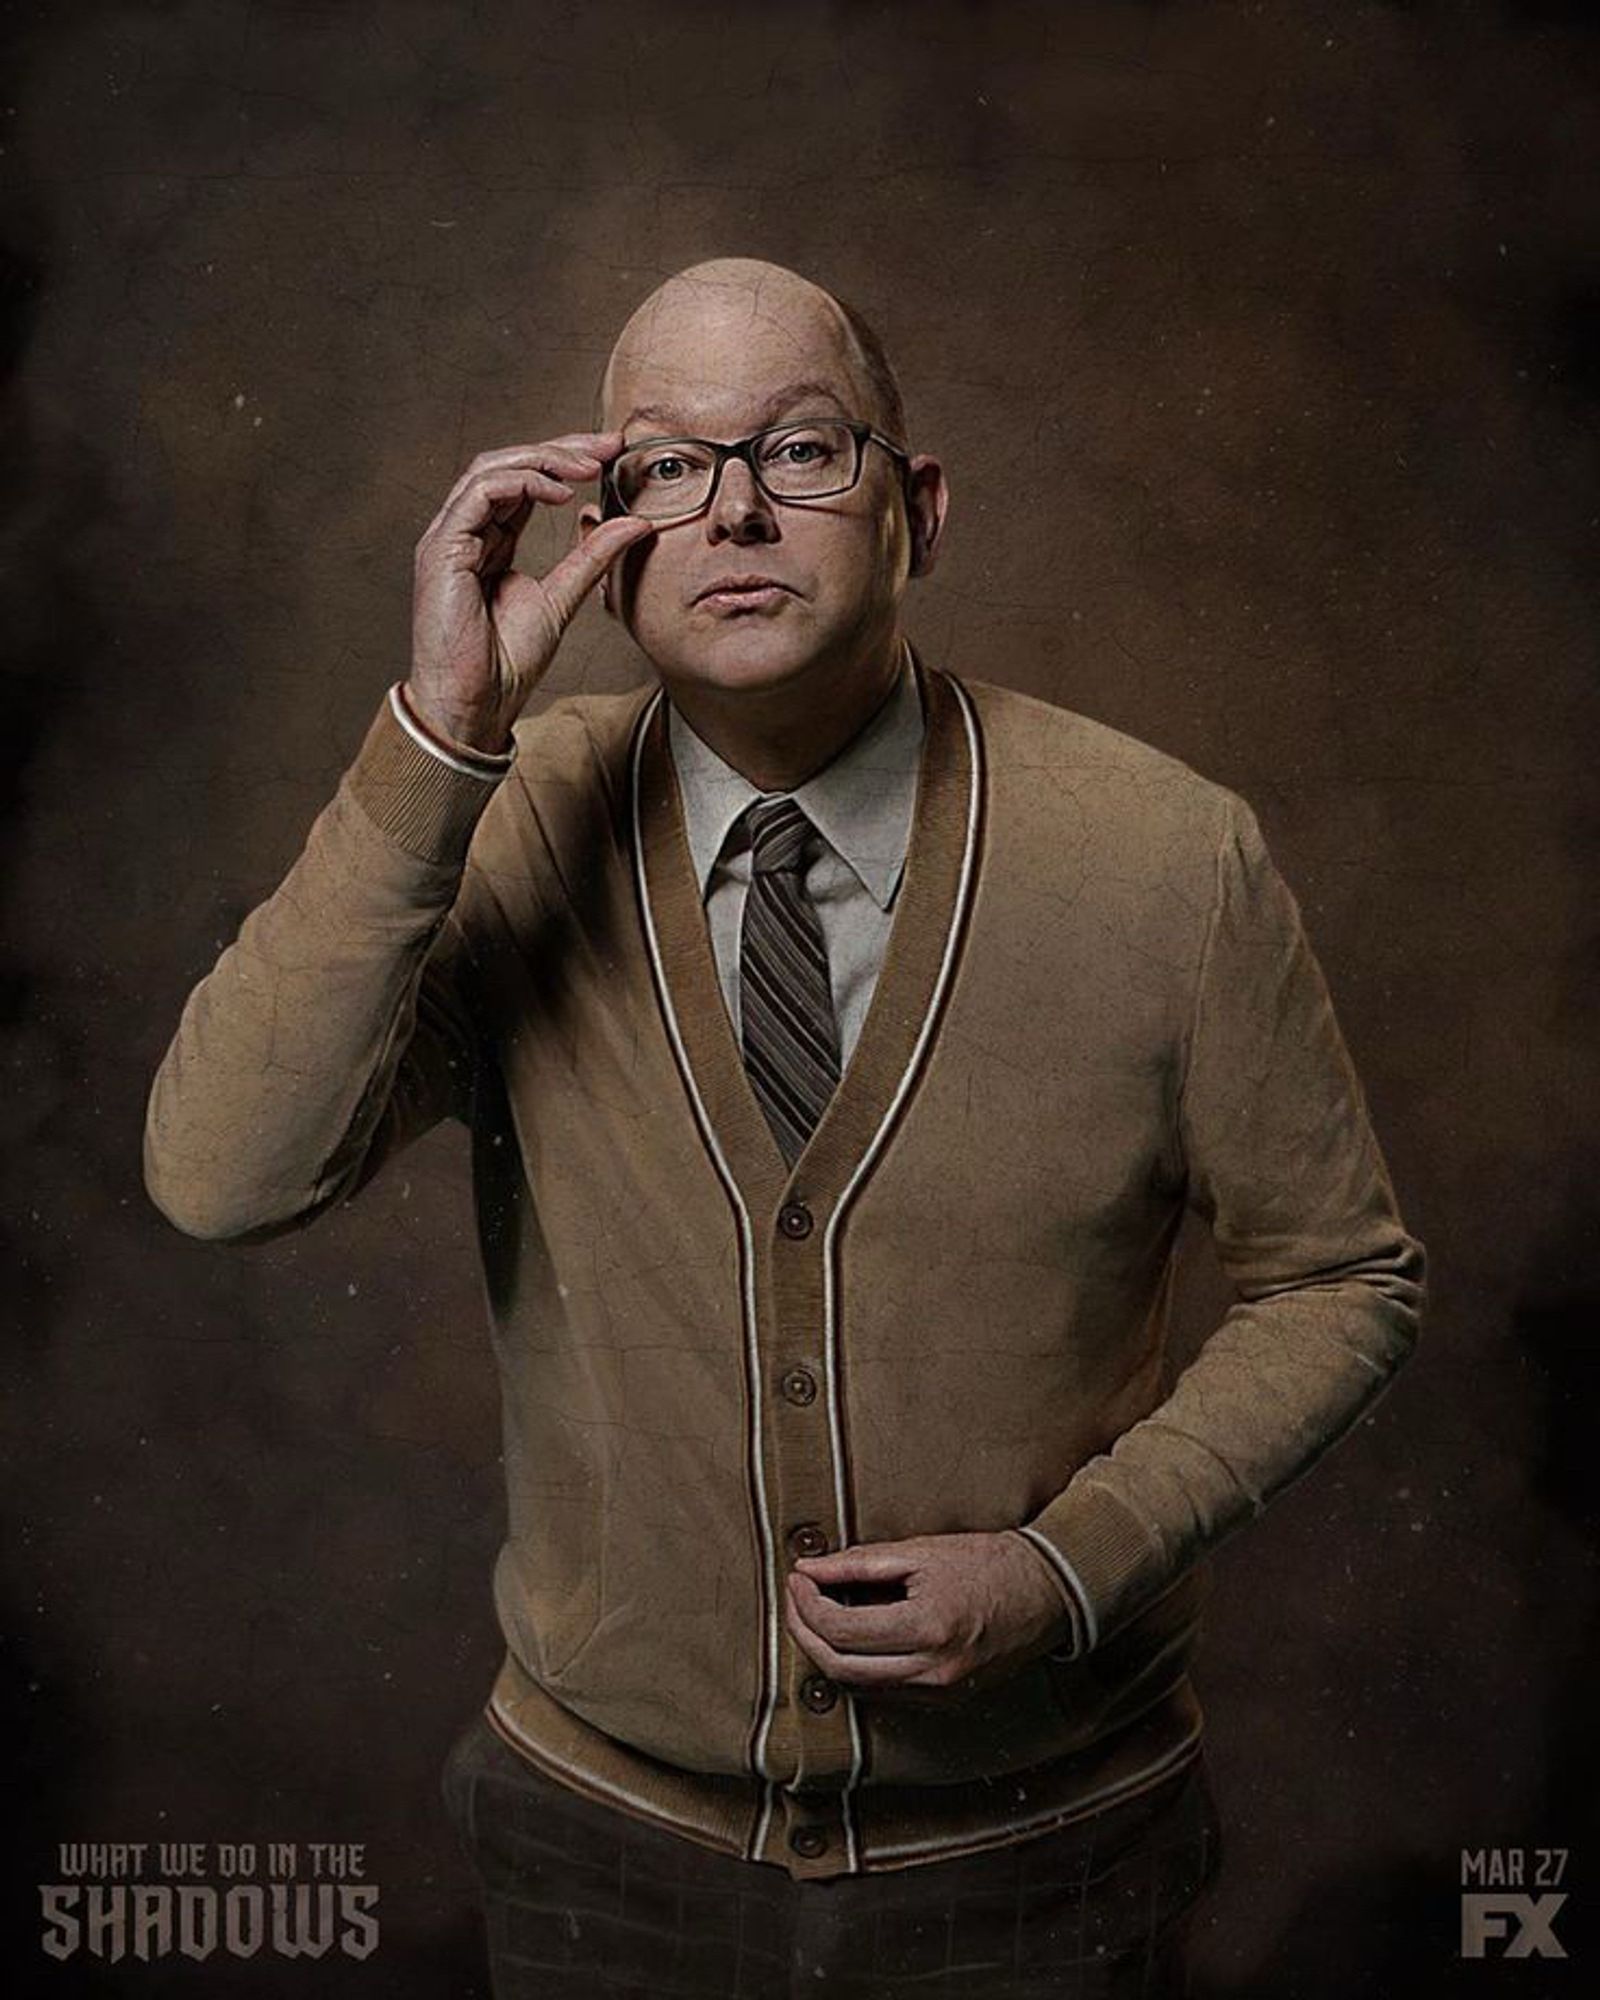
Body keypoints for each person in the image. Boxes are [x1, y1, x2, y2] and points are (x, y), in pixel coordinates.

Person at [144, 257, 1425, 1998]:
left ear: (923, 509)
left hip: (1044, 1862)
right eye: (667, 466)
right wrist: (442, 735)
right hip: (606, 1861)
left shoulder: (1168, 855)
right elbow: (221, 1177)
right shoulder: (502, 828)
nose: (737, 506)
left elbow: (1343, 1276)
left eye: (804, 448)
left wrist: (1068, 1568)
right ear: (600, 541)